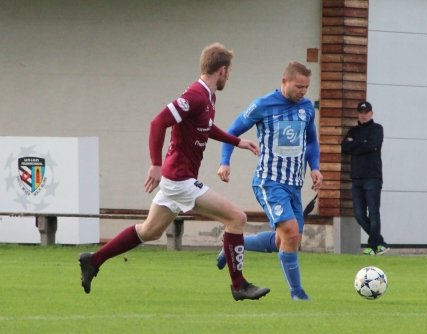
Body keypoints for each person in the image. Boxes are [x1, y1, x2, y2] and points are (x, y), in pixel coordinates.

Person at [78, 43, 270, 301]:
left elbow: (206, 127)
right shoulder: (196, 95)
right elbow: (158, 122)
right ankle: (239, 285)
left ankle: (94, 260)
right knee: (237, 218)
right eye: (229, 71)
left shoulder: (208, 97)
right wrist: (155, 163)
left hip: (176, 179)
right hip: (180, 179)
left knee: (149, 232)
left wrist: (237, 142)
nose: (229, 76)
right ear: (222, 70)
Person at [216, 61, 323, 300]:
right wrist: (225, 161)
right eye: (299, 86)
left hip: (294, 184)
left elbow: (311, 141)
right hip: (270, 181)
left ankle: (235, 245)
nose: (303, 92)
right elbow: (231, 132)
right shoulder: (264, 105)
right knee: (291, 233)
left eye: (307, 87)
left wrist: (314, 168)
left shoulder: (307, 108)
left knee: (284, 240)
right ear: (284, 82)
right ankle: (297, 293)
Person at [341, 101, 390, 256]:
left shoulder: (377, 129)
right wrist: (362, 143)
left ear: (371, 113)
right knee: (359, 215)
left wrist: (356, 146)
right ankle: (380, 243)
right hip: (357, 178)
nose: (363, 114)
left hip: (372, 177)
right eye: (361, 112)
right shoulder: (353, 130)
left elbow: (372, 145)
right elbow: (345, 147)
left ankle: (372, 247)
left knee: (373, 213)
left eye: (366, 112)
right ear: (358, 113)